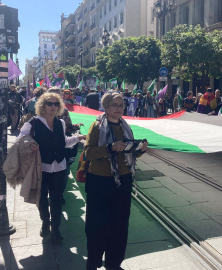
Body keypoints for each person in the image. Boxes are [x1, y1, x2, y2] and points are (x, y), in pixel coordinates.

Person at [84, 92, 149, 270]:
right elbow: (88, 152)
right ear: (106, 107)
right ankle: (94, 261)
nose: (119, 108)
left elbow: (129, 154)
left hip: (122, 181)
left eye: (121, 105)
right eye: (115, 105)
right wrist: (109, 148)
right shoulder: (97, 126)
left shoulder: (126, 126)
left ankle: (114, 263)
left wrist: (139, 150)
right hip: (100, 182)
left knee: (120, 225)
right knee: (97, 225)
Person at [17, 92, 85, 242]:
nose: (53, 107)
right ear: (42, 105)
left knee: (56, 198)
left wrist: (78, 138)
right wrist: (30, 144)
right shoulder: (33, 123)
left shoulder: (60, 123)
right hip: (42, 167)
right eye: (50, 103)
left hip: (59, 167)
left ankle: (56, 228)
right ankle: (45, 221)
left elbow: (64, 142)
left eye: (56, 104)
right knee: (41, 198)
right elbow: (20, 141)